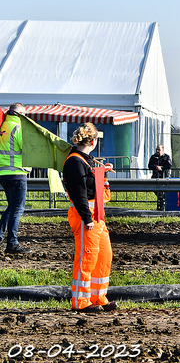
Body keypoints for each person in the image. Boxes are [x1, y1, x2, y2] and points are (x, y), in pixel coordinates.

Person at [63, 123, 117, 312]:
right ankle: (81, 302)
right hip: (86, 216)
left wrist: (102, 173)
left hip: (97, 217)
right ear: (93, 141)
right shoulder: (75, 162)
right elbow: (79, 194)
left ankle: (98, 297)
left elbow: (91, 187)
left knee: (103, 256)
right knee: (87, 258)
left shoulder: (86, 161)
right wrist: (86, 219)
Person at [0, 103, 32, 254]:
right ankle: (12, 243)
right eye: (25, 115)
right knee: (17, 209)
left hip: (3, 174)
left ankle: (0, 237)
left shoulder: (3, 126)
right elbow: (27, 149)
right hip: (17, 173)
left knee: (11, 207)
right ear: (19, 114)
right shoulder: (18, 128)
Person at [148, 145, 172, 210]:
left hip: (164, 177)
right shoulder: (153, 157)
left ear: (162, 150)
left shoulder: (166, 157)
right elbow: (149, 166)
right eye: (157, 149)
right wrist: (156, 167)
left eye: (159, 150)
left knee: (164, 192)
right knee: (156, 190)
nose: (158, 151)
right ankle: (161, 201)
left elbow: (169, 165)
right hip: (155, 177)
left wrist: (161, 168)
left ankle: (162, 204)